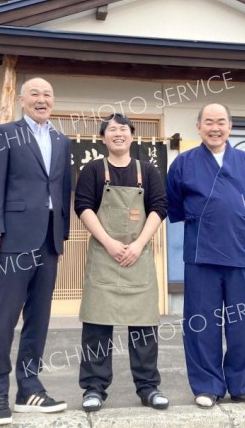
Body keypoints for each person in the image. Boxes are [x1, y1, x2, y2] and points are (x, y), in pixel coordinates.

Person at [0, 77, 71, 426]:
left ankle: (29, 387)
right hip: (14, 239)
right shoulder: (5, 133)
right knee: (5, 318)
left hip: (48, 240)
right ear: (21, 100)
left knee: (39, 318)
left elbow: (63, 191)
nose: (42, 99)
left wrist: (60, 237)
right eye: (35, 94)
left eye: (48, 94)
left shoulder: (62, 140)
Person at [166, 103, 245, 409]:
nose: (215, 127)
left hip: (241, 250)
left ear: (230, 126)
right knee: (201, 323)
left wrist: (239, 224)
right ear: (199, 127)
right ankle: (207, 385)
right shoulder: (183, 163)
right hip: (202, 253)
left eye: (220, 122)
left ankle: (244, 385)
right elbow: (175, 204)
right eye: (208, 122)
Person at [74, 113, 169, 412]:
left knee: (143, 326)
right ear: (103, 138)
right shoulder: (92, 169)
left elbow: (159, 207)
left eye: (123, 129)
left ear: (132, 136)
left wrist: (139, 244)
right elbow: (83, 207)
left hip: (137, 256)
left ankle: (148, 387)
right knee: (97, 325)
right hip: (105, 255)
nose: (118, 134)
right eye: (111, 130)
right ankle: (94, 388)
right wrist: (110, 243)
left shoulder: (147, 170)